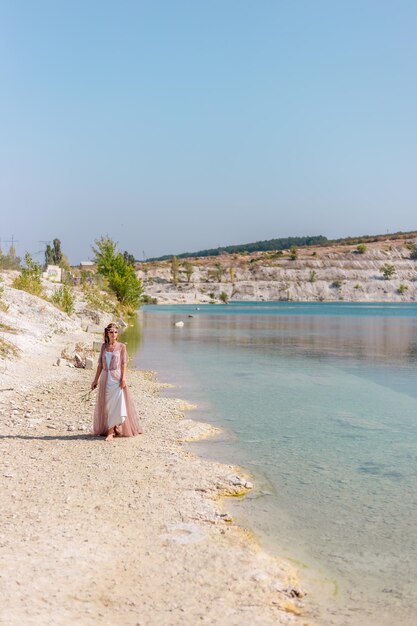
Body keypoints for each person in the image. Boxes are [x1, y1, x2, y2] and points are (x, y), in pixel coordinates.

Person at [91, 323, 143, 441]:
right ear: (107, 333)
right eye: (111, 332)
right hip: (105, 377)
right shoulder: (104, 347)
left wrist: (123, 378)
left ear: (117, 334)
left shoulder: (121, 347)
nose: (113, 334)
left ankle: (110, 431)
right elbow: (100, 364)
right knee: (107, 405)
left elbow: (124, 363)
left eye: (115, 332)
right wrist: (95, 380)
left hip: (117, 377)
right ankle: (113, 428)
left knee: (117, 404)